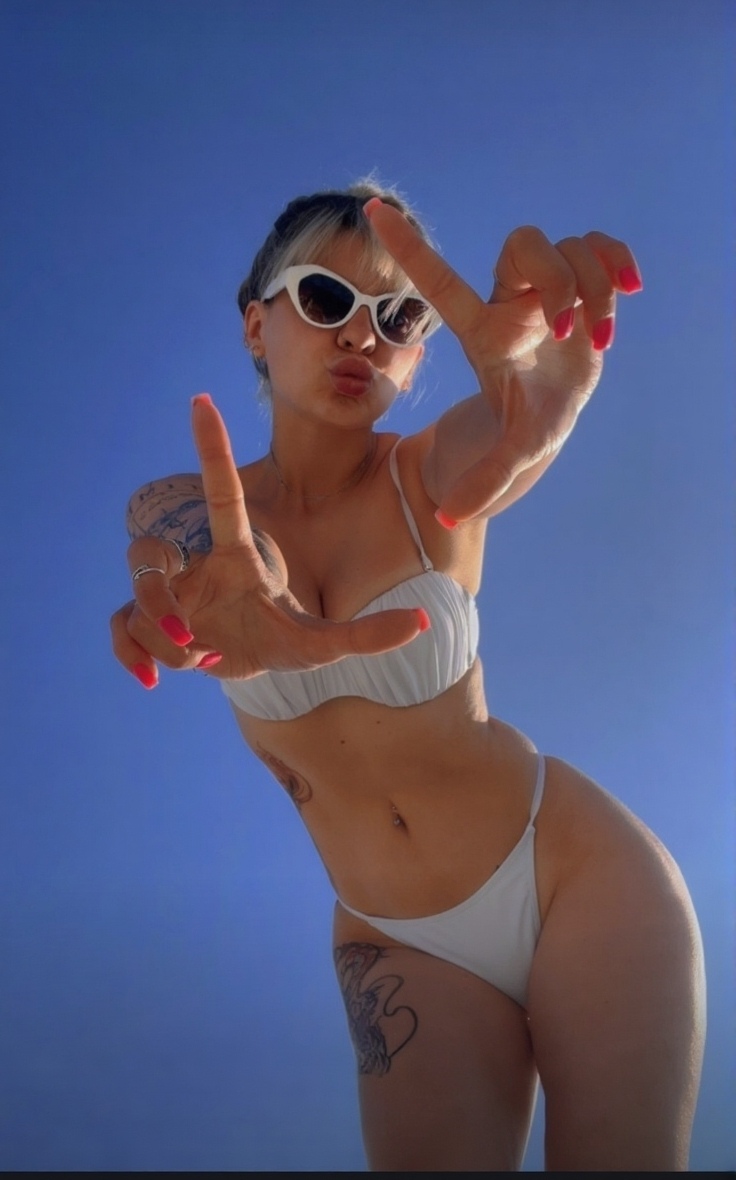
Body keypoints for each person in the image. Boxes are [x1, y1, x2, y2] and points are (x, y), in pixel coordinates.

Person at [110, 181, 705, 1171]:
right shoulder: (185, 509)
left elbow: (505, 434)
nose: (362, 335)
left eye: (399, 318)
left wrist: (540, 403)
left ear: (420, 354)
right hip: (397, 941)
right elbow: (213, 578)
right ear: (256, 325)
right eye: (325, 299)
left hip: (568, 871)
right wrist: (194, 618)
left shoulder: (429, 474)